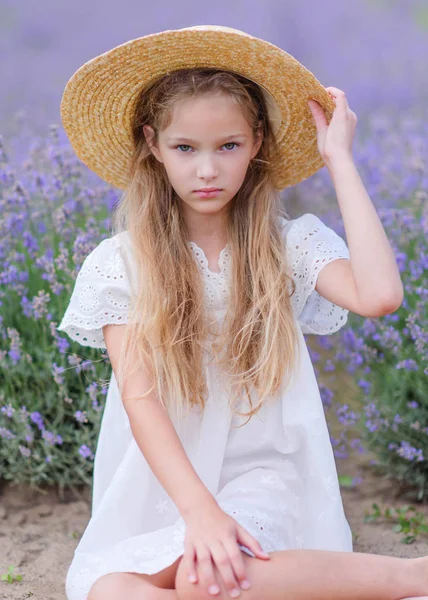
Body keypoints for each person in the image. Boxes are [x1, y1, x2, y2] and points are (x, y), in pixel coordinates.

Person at [57, 24, 425, 600]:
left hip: (263, 477)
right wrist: (199, 512)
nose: (208, 170)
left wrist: (340, 161)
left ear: (256, 143)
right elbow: (140, 399)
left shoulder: (289, 245)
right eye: (186, 148)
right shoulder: (121, 262)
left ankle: (413, 576)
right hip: (160, 486)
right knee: (110, 592)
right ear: (153, 145)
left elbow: (378, 295)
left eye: (227, 146)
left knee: (209, 579)